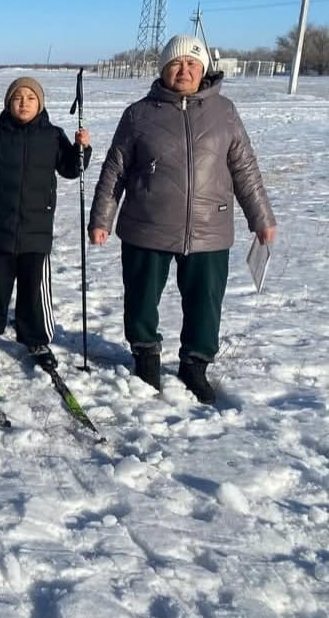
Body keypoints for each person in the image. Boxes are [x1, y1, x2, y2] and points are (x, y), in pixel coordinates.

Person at [88, 34, 277, 403]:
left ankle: (195, 364)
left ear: (203, 68)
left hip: (209, 228)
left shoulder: (225, 112)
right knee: (141, 298)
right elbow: (115, 170)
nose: (184, 70)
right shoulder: (138, 114)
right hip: (146, 225)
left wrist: (262, 218)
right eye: (176, 64)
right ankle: (145, 355)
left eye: (192, 63)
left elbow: (245, 169)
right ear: (163, 70)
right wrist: (101, 219)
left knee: (206, 301)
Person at [0, 76, 91, 370]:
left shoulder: (52, 135)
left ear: (40, 104)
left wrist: (81, 148)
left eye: (30, 98)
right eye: (18, 98)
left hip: (37, 228)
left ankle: (35, 337)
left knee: (35, 287)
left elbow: (72, 169)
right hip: (0, 226)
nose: (24, 103)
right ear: (9, 104)